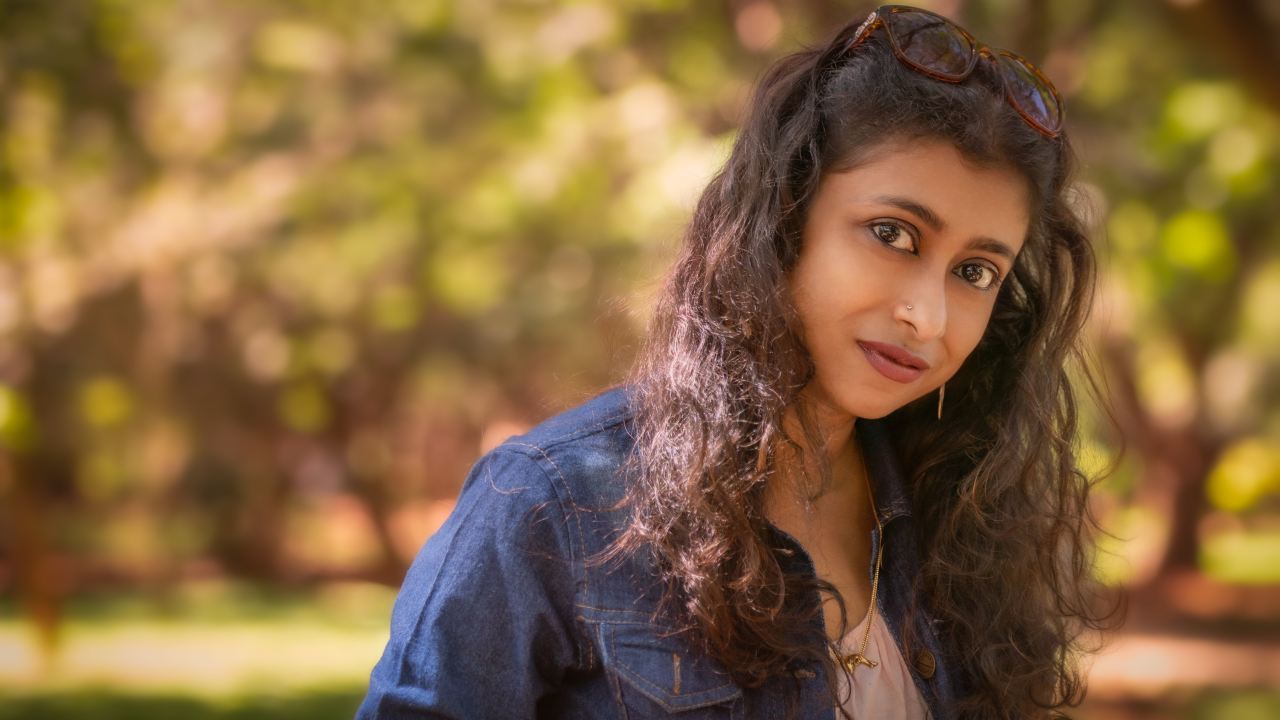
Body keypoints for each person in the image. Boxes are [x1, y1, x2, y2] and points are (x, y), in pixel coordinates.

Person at [359, 5, 1115, 718]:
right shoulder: (549, 507)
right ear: (784, 216)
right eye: (893, 233)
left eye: (976, 271)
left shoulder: (959, 526)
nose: (930, 314)